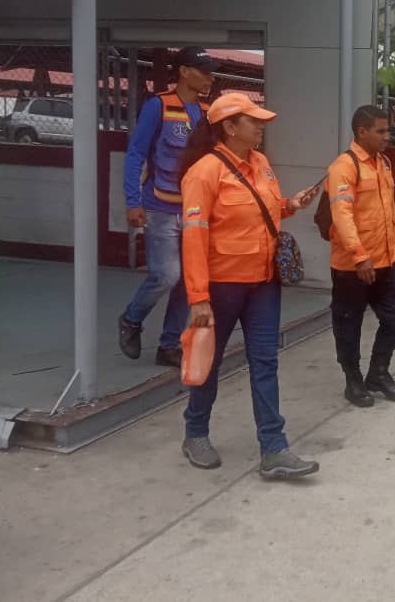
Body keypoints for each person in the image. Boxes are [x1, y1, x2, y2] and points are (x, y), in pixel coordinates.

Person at [179, 93, 322, 477]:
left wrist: (291, 205)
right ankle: (195, 433)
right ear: (228, 127)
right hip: (221, 286)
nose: (261, 127)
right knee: (207, 362)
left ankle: (274, 449)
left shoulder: (260, 163)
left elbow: (264, 210)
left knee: (265, 362)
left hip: (263, 283)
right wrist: (198, 298)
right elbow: (193, 238)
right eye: (253, 121)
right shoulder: (204, 172)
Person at [118, 47, 215, 367]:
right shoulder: (158, 106)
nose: (208, 77)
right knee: (167, 275)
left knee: (189, 280)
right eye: (202, 70)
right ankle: (131, 319)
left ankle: (169, 345)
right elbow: (135, 155)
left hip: (193, 211)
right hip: (159, 206)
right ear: (184, 72)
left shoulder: (205, 112)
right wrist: (133, 202)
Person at [326, 105, 395, 408]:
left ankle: (378, 373)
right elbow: (342, 215)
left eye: (388, 130)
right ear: (362, 132)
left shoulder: (383, 163)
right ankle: (353, 380)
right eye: (381, 131)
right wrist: (360, 256)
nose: (387, 136)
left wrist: (392, 251)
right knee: (349, 325)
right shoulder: (344, 167)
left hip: (387, 259)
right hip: (353, 266)